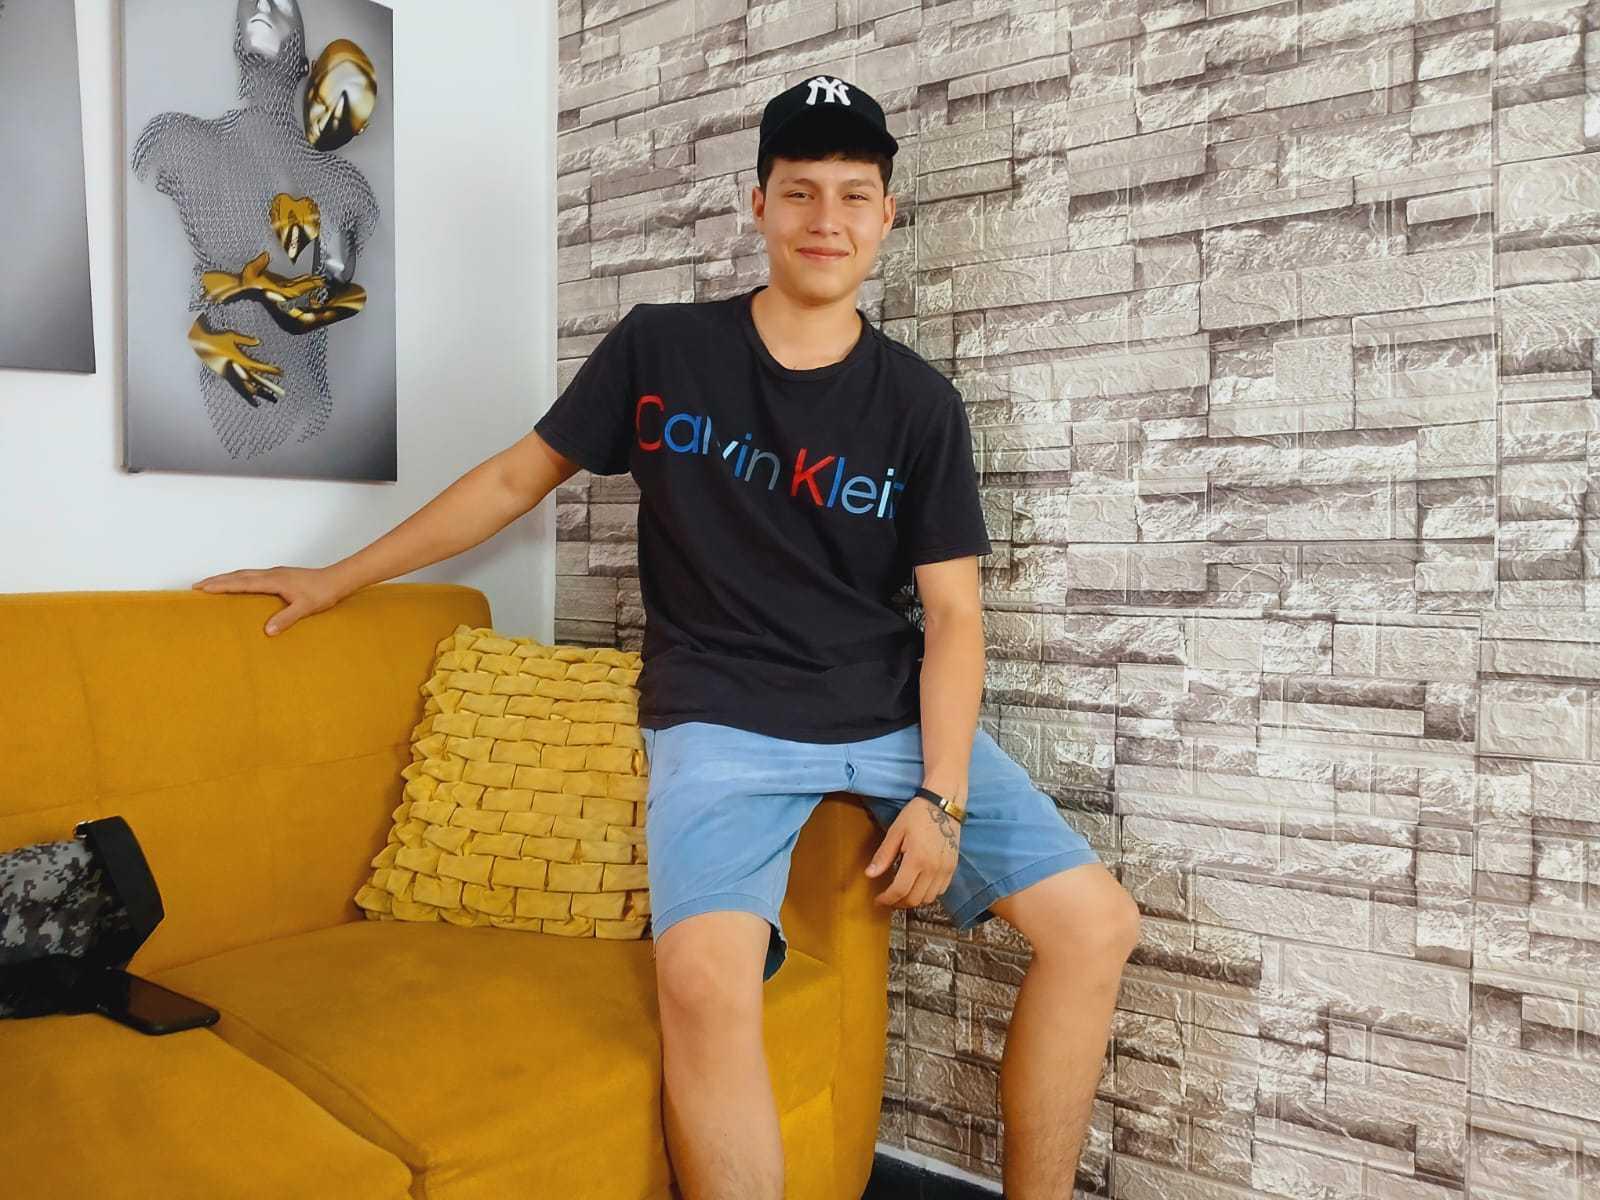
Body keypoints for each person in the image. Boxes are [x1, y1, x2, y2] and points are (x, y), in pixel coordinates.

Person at [194, 74, 1140, 1200]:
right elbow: (511, 480)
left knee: (1097, 925)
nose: (826, 219)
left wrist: (939, 796)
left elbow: (952, 615)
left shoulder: (918, 405)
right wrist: (338, 575)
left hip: (887, 713)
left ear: (886, 215)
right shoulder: (662, 349)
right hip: (720, 716)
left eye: (853, 195)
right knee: (701, 983)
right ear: (758, 204)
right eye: (800, 191)